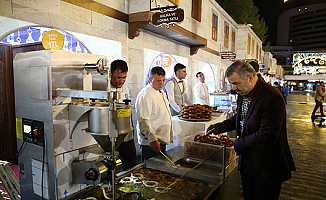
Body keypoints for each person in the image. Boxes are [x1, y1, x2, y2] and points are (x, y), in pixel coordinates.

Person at [206, 61, 295, 200]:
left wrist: (238, 144)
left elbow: (267, 134)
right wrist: (219, 127)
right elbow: (241, 117)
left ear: (250, 78)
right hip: (249, 163)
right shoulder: (244, 92)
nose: (234, 88)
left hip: (267, 167)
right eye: (231, 84)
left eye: (236, 83)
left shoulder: (272, 97)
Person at [135, 67, 173, 162]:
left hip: (161, 140)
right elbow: (143, 120)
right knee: (149, 171)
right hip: (150, 142)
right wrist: (152, 139)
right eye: (158, 81)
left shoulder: (160, 91)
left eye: (163, 80)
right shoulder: (145, 95)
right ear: (150, 79)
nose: (161, 83)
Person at [109, 59, 137, 170]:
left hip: (127, 134)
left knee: (131, 166)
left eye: (124, 77)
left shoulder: (124, 87)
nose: (122, 81)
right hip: (113, 137)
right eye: (118, 77)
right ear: (110, 74)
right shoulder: (103, 88)